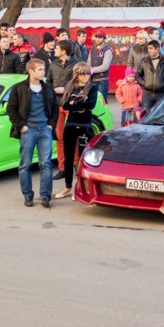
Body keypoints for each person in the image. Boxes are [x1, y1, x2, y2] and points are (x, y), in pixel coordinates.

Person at [6, 58, 58, 208]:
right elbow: (11, 110)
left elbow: (55, 109)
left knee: (46, 164)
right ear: (31, 71)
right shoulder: (19, 88)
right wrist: (21, 127)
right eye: (40, 69)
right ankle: (28, 195)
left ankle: (45, 196)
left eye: (44, 69)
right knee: (25, 165)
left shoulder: (47, 89)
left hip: (45, 131)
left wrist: (51, 125)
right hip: (28, 131)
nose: (44, 72)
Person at [55, 62, 97, 200]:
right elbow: (65, 104)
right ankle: (68, 186)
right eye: (82, 74)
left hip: (85, 125)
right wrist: (78, 105)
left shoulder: (92, 88)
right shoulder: (71, 86)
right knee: (68, 157)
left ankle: (80, 186)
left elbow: (91, 105)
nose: (85, 76)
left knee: (83, 158)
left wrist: (76, 103)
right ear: (77, 74)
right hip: (71, 124)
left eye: (87, 73)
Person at [48, 40, 77, 181]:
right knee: (59, 137)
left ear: (64, 51)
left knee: (72, 136)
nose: (54, 50)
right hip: (57, 104)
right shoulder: (53, 64)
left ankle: (76, 165)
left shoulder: (76, 65)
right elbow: (48, 81)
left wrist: (65, 89)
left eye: (57, 48)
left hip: (71, 104)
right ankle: (62, 168)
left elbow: (80, 83)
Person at [135, 40, 164, 111]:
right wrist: (144, 83)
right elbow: (138, 74)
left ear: (157, 49)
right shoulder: (144, 61)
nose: (149, 50)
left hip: (161, 93)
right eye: (148, 48)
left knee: (160, 116)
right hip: (147, 94)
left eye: (151, 48)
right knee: (146, 116)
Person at [87, 30, 113, 100]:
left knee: (102, 102)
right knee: (92, 101)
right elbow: (88, 62)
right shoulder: (92, 49)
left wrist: (92, 70)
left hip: (102, 81)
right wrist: (87, 69)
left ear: (104, 39)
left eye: (99, 37)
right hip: (92, 80)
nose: (97, 39)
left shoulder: (107, 50)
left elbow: (105, 67)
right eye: (96, 37)